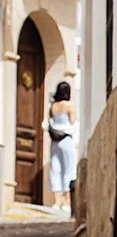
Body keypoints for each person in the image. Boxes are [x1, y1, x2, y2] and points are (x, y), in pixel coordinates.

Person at [47, 81, 76, 217]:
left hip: (54, 141)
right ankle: (67, 202)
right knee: (68, 169)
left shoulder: (53, 106)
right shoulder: (69, 106)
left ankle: (56, 201)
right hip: (66, 140)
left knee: (55, 168)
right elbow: (73, 122)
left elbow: (48, 122)